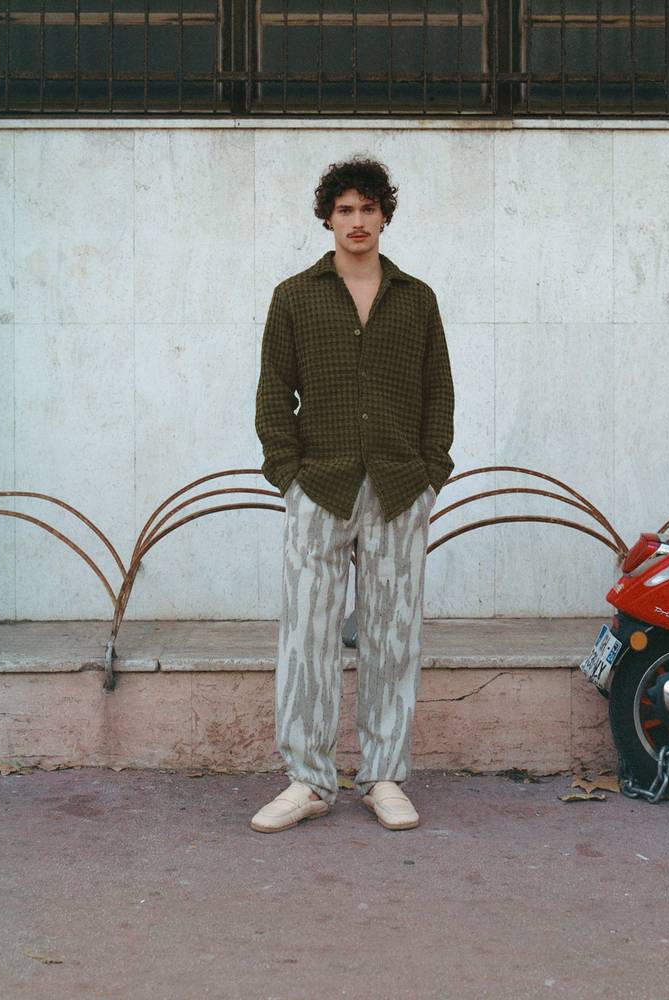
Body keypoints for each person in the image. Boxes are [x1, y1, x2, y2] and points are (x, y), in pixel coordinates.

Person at [251, 156, 455, 834]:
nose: (358, 221)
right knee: (306, 636)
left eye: (368, 209)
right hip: (321, 487)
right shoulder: (294, 296)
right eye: (346, 210)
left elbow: (439, 395)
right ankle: (307, 780)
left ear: (385, 215)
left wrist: (431, 473)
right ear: (328, 218)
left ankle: (385, 776)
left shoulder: (417, 299)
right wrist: (289, 475)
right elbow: (274, 395)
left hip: (399, 487)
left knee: (392, 635)